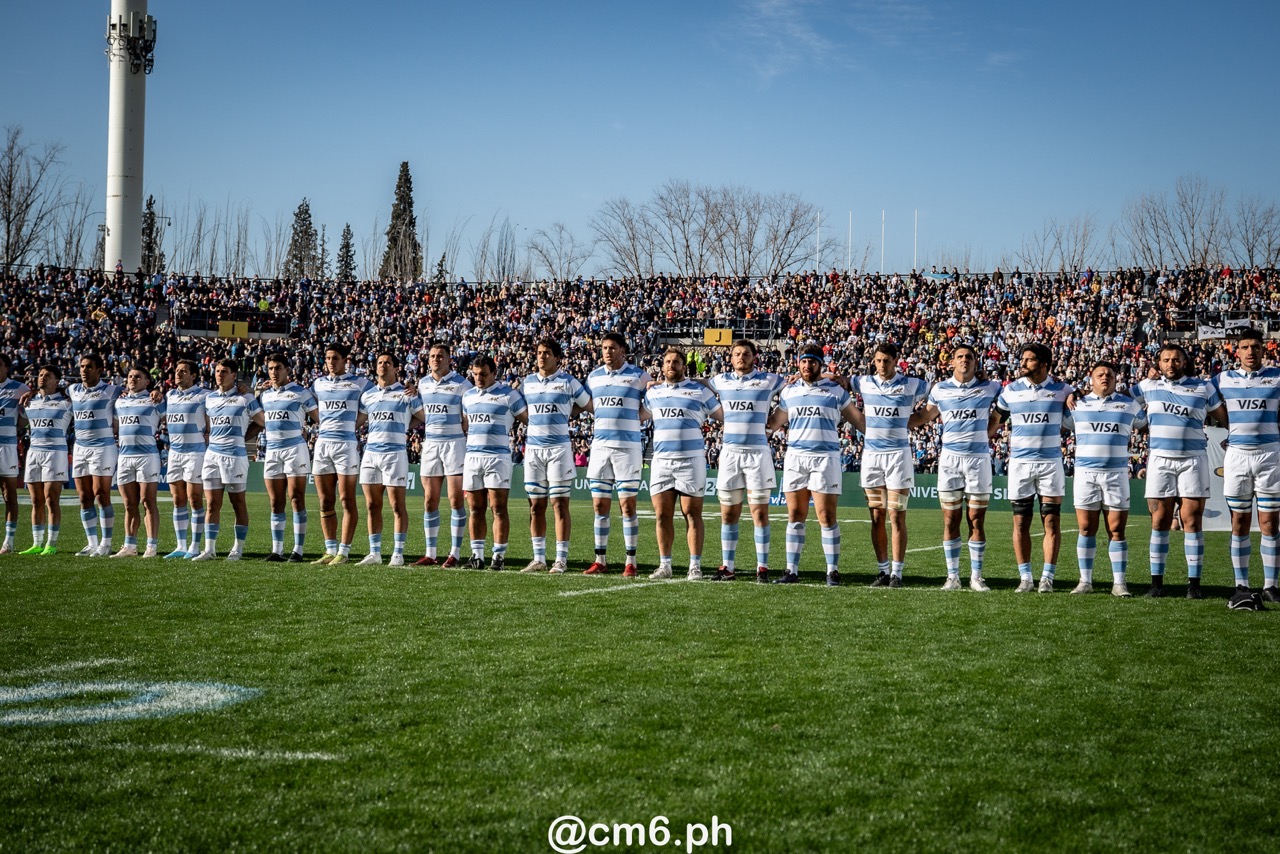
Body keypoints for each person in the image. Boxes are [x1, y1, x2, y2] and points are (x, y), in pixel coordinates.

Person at [1131, 343, 1228, 598]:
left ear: (1184, 362)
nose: (1171, 364)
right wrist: (1076, 394)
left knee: (1192, 522)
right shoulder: (1146, 386)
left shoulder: (1203, 387)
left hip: (1193, 460)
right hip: (1160, 461)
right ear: (1158, 363)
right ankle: (1156, 585)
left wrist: (1236, 436)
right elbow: (1115, 400)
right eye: (1166, 360)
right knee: (1159, 521)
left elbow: (1225, 418)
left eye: (1176, 360)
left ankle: (1194, 586)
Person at [908, 344, 1001, 591]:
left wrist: (990, 431)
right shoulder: (940, 389)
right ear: (952, 362)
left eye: (969, 357)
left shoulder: (990, 387)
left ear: (976, 363)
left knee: (976, 520)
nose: (964, 360)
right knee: (950, 520)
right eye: (959, 357)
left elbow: (1008, 406)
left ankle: (976, 576)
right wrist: (890, 424)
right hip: (950, 460)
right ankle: (953, 577)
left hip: (978, 460)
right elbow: (923, 416)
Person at [766, 344, 862, 585]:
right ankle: (791, 570)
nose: (807, 366)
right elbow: (774, 423)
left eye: (812, 361)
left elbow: (859, 421)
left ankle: (832, 571)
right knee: (795, 515)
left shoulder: (836, 391)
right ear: (798, 364)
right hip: (796, 457)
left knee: (826, 516)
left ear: (820, 364)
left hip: (826, 458)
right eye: (804, 361)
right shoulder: (789, 392)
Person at [993, 343, 1073, 592]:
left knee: (1051, 522)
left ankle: (1047, 578)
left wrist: (1074, 396)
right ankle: (1026, 578)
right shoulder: (1010, 391)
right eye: (1023, 359)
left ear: (1044, 364)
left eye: (1029, 360)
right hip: (1020, 464)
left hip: (1050, 463)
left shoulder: (1063, 390)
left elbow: (1074, 413)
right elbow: (995, 421)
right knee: (1020, 523)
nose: (1023, 363)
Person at [1209, 328, 1280, 603]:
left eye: (1256, 346)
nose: (1251, 351)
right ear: (1236, 351)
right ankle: (1241, 584)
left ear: (1264, 350)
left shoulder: (1276, 377)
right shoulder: (1222, 379)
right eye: (1245, 347)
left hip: (1269, 455)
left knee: (1270, 523)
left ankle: (1271, 586)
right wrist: (1229, 426)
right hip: (1238, 455)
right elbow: (1201, 395)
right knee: (1239, 521)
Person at [642, 347, 724, 579]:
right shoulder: (653, 394)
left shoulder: (699, 391)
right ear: (662, 366)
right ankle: (665, 565)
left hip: (691, 461)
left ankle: (694, 566)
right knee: (662, 515)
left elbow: (724, 416)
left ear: (683, 366)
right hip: (661, 461)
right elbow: (638, 415)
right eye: (667, 362)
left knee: (692, 513)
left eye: (676, 362)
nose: (671, 365)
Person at [707, 339, 785, 582]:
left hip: (757, 453)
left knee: (759, 514)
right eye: (737, 354)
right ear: (731, 358)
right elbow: (697, 384)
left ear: (754, 357)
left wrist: (772, 426)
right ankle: (727, 566)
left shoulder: (769, 380)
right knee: (728, 514)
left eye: (746, 354)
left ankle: (762, 567)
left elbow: (796, 387)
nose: (741, 357)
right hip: (730, 453)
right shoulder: (720, 380)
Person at [854, 342, 928, 588]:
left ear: (896, 361)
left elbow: (941, 393)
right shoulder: (864, 382)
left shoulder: (912, 384)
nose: (882, 365)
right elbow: (837, 381)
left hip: (898, 457)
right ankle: (883, 571)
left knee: (897, 515)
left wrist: (916, 419)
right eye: (878, 360)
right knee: (877, 516)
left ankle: (897, 573)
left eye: (886, 360)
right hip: (872, 457)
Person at [1069, 361, 1145, 597]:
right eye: (1099, 374)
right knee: (1085, 528)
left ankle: (1119, 583)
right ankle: (1085, 581)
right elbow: (1059, 426)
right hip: (1085, 473)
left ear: (1116, 379)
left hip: (1116, 473)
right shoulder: (1077, 405)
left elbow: (1145, 425)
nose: (1104, 378)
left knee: (1116, 529)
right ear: (1090, 380)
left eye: (1109, 375)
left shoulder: (1129, 405)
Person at [584, 332, 652, 576]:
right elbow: (589, 405)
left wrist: (636, 418)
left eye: (612, 347)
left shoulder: (639, 376)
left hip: (627, 449)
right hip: (600, 448)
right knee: (599, 506)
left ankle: (630, 562)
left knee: (627, 505)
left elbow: (653, 402)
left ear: (623, 350)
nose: (607, 352)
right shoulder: (593, 377)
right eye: (604, 347)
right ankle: (600, 560)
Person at [519, 339, 590, 573]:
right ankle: (538, 558)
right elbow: (519, 410)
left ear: (557, 357)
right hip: (534, 451)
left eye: (547, 353)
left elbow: (588, 405)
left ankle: (561, 559)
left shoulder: (568, 382)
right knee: (535, 506)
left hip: (559, 450)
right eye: (539, 353)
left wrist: (567, 412)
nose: (541, 357)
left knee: (559, 504)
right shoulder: (527, 383)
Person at [191, 359, 264, 561]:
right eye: (217, 371)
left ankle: (237, 549)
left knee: (237, 503)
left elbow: (262, 422)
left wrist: (242, 437)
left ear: (234, 375)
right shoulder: (209, 398)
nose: (220, 374)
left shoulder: (245, 398)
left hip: (235, 457)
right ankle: (209, 550)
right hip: (212, 456)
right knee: (213, 504)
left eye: (224, 371)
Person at [461, 354, 528, 570]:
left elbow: (528, 420)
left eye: (483, 374)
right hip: (472, 457)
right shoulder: (468, 396)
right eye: (475, 374)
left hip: (498, 458)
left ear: (494, 373)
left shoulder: (509, 395)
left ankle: (498, 556)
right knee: (474, 509)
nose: (479, 378)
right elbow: (465, 424)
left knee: (498, 508)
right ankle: (477, 556)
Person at [358, 352, 424, 566]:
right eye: (379, 362)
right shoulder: (368, 395)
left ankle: (398, 552)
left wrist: (406, 425)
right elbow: (357, 421)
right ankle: (374, 553)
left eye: (387, 362)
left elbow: (424, 417)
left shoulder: (406, 393)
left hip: (395, 454)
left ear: (396, 368)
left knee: (397, 506)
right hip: (371, 453)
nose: (383, 366)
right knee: (372, 505)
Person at [310, 343, 371, 566]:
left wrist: (353, 426)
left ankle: (344, 552)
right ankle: (329, 549)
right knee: (325, 501)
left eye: (335, 358)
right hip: (323, 445)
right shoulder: (318, 384)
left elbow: (380, 395)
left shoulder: (360, 383)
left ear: (346, 360)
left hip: (346, 446)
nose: (331, 362)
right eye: (327, 358)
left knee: (347, 500)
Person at [414, 341, 472, 567]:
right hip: (431, 445)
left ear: (449, 359)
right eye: (432, 356)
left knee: (455, 500)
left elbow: (467, 419)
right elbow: (419, 412)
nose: (436, 359)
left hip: (454, 444)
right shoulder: (422, 384)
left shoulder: (462, 384)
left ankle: (454, 553)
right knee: (429, 501)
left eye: (440, 356)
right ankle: (431, 553)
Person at [259, 353, 319, 563]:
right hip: (272, 451)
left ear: (287, 370)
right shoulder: (265, 395)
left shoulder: (301, 393)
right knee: (275, 502)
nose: (274, 373)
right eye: (271, 368)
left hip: (295, 448)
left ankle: (298, 550)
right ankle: (277, 550)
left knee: (296, 498)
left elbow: (319, 417)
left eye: (278, 368)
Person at [67, 354, 122, 557]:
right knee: (84, 497)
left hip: (103, 447)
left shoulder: (112, 390)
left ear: (99, 370)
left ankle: (106, 544)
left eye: (89, 367)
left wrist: (156, 393)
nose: (84, 370)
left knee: (101, 494)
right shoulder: (73, 390)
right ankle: (91, 543)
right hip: (80, 447)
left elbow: (135, 393)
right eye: (81, 366)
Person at [111, 366, 165, 558]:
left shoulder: (154, 400)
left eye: (138, 377)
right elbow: (115, 427)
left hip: (147, 457)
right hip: (124, 457)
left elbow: (170, 418)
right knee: (129, 504)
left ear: (147, 382)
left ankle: (151, 546)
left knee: (148, 502)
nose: (132, 379)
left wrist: (159, 393)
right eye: (130, 376)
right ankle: (130, 546)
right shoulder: (119, 402)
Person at [18, 365, 71, 555]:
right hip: (34, 453)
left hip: (55, 454)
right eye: (40, 375)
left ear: (56, 381)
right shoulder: (30, 402)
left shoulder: (66, 403)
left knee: (51, 499)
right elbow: (21, 423)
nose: (42, 378)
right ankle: (36, 543)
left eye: (47, 376)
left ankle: (51, 543)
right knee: (35, 500)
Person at [164, 359, 209, 559]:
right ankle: (180, 545)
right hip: (174, 453)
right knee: (177, 499)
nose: (178, 374)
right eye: (177, 370)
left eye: (183, 371)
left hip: (195, 452)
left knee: (195, 499)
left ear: (194, 376)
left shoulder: (204, 396)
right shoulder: (169, 395)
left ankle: (195, 545)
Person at [0, 353, 31, 554]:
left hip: (6, 447)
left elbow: (26, 415)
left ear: (7, 368)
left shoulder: (20, 388)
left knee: (9, 494)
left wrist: (18, 427)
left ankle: (8, 543)